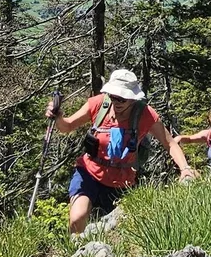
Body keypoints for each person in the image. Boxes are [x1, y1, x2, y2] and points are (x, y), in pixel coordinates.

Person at [46, 68, 196, 234]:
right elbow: (67, 126)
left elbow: (170, 144)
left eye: (121, 99)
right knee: (78, 218)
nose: (116, 101)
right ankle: (73, 252)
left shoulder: (145, 114)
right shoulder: (98, 104)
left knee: (115, 232)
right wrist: (58, 117)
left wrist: (185, 169)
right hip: (89, 173)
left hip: (122, 183)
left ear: (132, 99)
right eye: (112, 96)